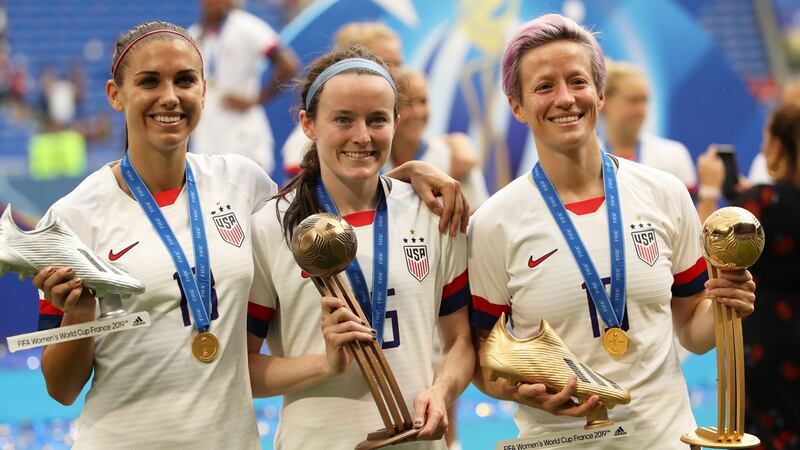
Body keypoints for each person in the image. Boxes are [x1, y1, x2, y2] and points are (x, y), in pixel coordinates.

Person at [30, 21, 468, 449]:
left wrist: (408, 175)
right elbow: (62, 389)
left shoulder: (241, 183)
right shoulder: (70, 219)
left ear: (204, 90)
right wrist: (81, 316)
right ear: (115, 94)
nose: (169, 97)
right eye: (149, 82)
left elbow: (340, 192)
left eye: (185, 80)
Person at [468, 14, 757, 449]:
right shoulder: (493, 223)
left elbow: (692, 334)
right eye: (544, 86)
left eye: (577, 81)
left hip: (665, 438)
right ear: (517, 106)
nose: (565, 98)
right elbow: (484, 360)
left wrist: (725, 309)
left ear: (600, 93)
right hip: (558, 441)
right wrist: (513, 390)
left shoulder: (664, 193)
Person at [246, 47, 474, 449]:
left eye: (377, 120)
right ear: (309, 124)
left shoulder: (431, 213)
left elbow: (459, 342)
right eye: (343, 119)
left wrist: (442, 391)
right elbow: (243, 371)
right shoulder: (271, 227)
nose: (362, 136)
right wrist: (324, 364)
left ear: (396, 123)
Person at [698, 103, 800, 449]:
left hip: (769, 340)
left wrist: (711, 190)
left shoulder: (765, 200)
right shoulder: (761, 200)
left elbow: (710, 244)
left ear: (778, 147)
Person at [189, 0, 299, 173]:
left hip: (241, 129)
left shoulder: (246, 26)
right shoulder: (196, 34)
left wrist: (256, 101)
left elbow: (288, 64)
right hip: (206, 131)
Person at [389, 67, 489, 212]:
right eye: (407, 103)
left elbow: (481, 216)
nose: (417, 113)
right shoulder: (377, 164)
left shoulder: (454, 158)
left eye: (423, 101)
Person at [601, 60, 696, 191]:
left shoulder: (674, 155)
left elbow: (687, 211)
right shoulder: (586, 160)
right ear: (604, 102)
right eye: (633, 101)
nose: (642, 111)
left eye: (644, 101)